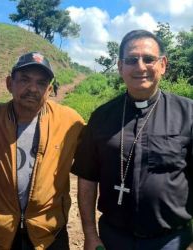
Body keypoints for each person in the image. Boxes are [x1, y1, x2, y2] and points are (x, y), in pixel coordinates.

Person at [71, 29, 193, 250]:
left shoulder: (188, 114)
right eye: (131, 60)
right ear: (120, 67)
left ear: (163, 64)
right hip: (113, 238)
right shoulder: (101, 117)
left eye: (149, 59)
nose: (140, 67)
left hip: (172, 241)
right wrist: (89, 234)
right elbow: (87, 178)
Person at [0, 51, 85, 250]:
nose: (33, 88)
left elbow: (95, 158)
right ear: (10, 83)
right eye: (24, 80)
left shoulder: (70, 121)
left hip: (49, 234)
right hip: (1, 234)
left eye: (41, 83)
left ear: (49, 89)